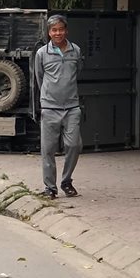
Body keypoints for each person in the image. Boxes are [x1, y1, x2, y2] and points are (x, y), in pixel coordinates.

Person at [34, 14, 83, 199]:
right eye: (54, 30)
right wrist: (47, 99)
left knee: (74, 145)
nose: (58, 33)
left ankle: (66, 180)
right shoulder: (41, 53)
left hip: (72, 107)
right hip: (49, 107)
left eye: (61, 29)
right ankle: (50, 188)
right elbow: (39, 77)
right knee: (48, 149)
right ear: (49, 32)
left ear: (66, 30)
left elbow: (77, 72)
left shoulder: (75, 50)